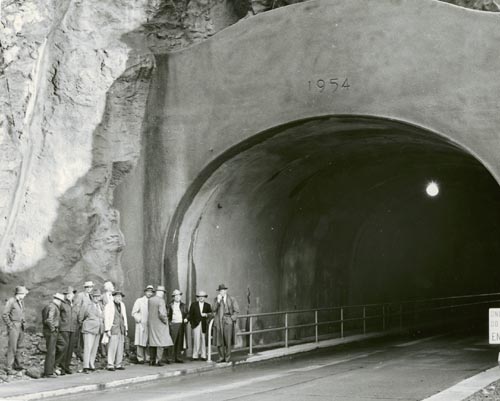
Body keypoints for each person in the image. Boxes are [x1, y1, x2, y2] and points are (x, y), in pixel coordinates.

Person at [2, 286, 29, 374]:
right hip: (14, 326)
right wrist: (10, 325)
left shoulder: (21, 302)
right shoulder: (11, 301)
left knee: (20, 347)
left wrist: (23, 322)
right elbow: (5, 314)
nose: (25, 295)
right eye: (24, 294)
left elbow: (22, 313)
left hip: (20, 326)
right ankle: (9, 368)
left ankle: (18, 366)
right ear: (19, 294)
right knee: (12, 347)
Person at [78, 288, 104, 373]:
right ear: (92, 297)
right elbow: (81, 317)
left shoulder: (100, 305)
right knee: (88, 347)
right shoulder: (87, 305)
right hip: (89, 329)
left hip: (98, 329)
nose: (97, 298)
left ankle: (91, 364)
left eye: (98, 296)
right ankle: (86, 366)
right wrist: (86, 324)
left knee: (94, 348)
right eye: (95, 296)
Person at [212, 284, 239, 363]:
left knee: (228, 340)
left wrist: (232, 318)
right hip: (219, 321)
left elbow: (236, 310)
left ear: (226, 291)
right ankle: (221, 357)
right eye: (220, 291)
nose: (222, 292)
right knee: (219, 341)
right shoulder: (216, 299)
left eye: (223, 290)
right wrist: (218, 301)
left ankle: (227, 357)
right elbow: (213, 309)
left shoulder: (231, 299)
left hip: (228, 321)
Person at [147, 285, 173, 366]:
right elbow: (162, 314)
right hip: (160, 324)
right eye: (163, 292)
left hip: (152, 324)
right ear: (161, 292)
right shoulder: (161, 301)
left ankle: (152, 360)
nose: (163, 294)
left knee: (152, 342)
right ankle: (158, 360)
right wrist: (166, 321)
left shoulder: (150, 300)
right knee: (160, 343)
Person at [104, 290, 128, 371]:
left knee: (120, 347)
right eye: (117, 296)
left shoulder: (122, 305)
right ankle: (110, 364)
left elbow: (124, 317)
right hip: (113, 328)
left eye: (120, 297)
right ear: (113, 297)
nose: (119, 298)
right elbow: (106, 318)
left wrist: (126, 328)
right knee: (112, 347)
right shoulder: (109, 305)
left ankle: (118, 364)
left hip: (121, 328)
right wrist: (107, 329)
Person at [56, 286, 78, 375]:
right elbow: (57, 315)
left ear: (73, 294)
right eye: (67, 294)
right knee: (63, 348)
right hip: (64, 328)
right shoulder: (62, 303)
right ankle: (61, 367)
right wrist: (60, 325)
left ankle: (66, 366)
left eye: (70, 293)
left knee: (70, 348)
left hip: (72, 329)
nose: (69, 295)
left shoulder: (75, 304)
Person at [42, 293, 65, 378]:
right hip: (51, 331)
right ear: (57, 300)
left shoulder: (52, 306)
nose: (61, 303)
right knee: (51, 351)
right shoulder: (52, 306)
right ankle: (48, 372)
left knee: (62, 345)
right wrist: (52, 329)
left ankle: (53, 367)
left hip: (53, 330)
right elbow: (49, 320)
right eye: (60, 301)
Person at [131, 285, 154, 364]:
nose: (149, 293)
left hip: (150, 324)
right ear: (145, 292)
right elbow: (134, 312)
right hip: (141, 324)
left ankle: (147, 357)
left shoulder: (153, 301)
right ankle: (140, 358)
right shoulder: (139, 301)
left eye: (151, 292)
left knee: (148, 341)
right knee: (140, 341)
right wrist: (139, 319)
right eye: (148, 291)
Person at [188, 290, 212, 361]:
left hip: (204, 324)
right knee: (196, 339)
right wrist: (192, 323)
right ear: (198, 297)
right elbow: (190, 315)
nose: (201, 298)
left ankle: (203, 355)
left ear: (205, 297)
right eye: (200, 296)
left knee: (203, 339)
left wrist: (206, 314)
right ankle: (195, 355)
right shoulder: (193, 305)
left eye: (203, 296)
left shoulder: (207, 305)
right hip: (196, 324)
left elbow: (211, 314)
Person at [74, 281, 94, 360]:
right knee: (80, 337)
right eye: (87, 287)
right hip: (82, 319)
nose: (89, 289)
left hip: (89, 320)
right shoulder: (81, 295)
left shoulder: (91, 296)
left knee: (87, 338)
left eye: (90, 287)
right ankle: (79, 352)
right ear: (85, 288)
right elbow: (77, 307)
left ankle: (87, 354)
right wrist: (79, 319)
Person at [167, 289, 188, 363]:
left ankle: (178, 357)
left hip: (181, 324)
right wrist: (169, 323)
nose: (177, 297)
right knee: (172, 342)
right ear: (173, 297)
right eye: (176, 295)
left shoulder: (183, 305)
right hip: (173, 324)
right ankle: (170, 358)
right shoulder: (170, 305)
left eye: (179, 295)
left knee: (180, 341)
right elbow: (167, 315)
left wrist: (186, 319)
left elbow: (187, 314)